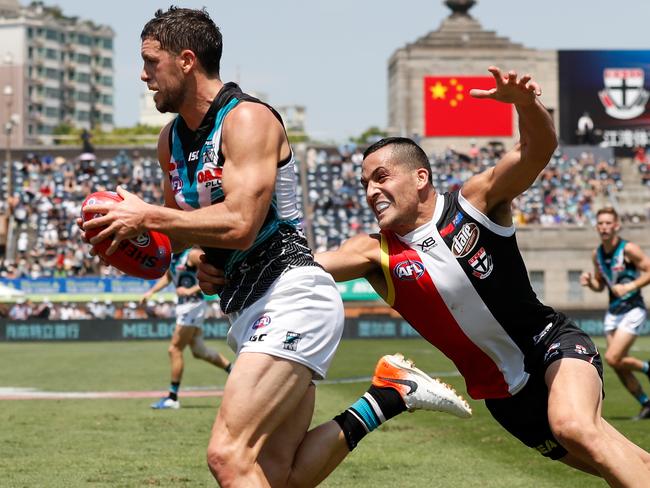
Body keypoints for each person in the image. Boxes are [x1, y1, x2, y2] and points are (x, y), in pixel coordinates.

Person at [200, 67, 650, 485]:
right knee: (614, 464)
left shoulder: (473, 204)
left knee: (575, 427)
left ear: (420, 177)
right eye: (365, 184)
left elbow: (537, 152)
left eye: (381, 177)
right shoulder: (374, 252)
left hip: (551, 346)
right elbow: (296, 270)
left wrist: (526, 106)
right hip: (504, 399)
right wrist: (220, 266)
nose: (372, 191)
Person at [81, 7, 470, 486]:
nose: (142, 75)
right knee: (278, 476)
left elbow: (243, 224)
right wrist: (138, 240)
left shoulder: (247, 120)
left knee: (228, 456)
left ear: (185, 60)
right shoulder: (170, 141)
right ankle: (388, 396)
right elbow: (180, 231)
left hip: (292, 295)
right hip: (246, 308)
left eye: (150, 61)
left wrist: (147, 216)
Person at [580, 207, 650, 420]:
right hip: (613, 311)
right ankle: (646, 403)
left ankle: (647, 368)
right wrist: (591, 282)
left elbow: (649, 270)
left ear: (617, 225)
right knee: (616, 364)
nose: (604, 227)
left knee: (612, 357)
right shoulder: (597, 254)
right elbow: (601, 285)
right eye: (600, 223)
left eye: (608, 223)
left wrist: (629, 287)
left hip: (633, 308)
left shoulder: (628, 249)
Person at [142, 247, 233, 410]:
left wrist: (191, 290)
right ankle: (233, 370)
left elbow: (216, 273)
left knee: (174, 349)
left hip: (193, 306)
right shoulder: (172, 258)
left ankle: (172, 397)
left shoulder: (192, 255)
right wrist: (150, 292)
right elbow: (169, 277)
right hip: (185, 307)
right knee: (199, 351)